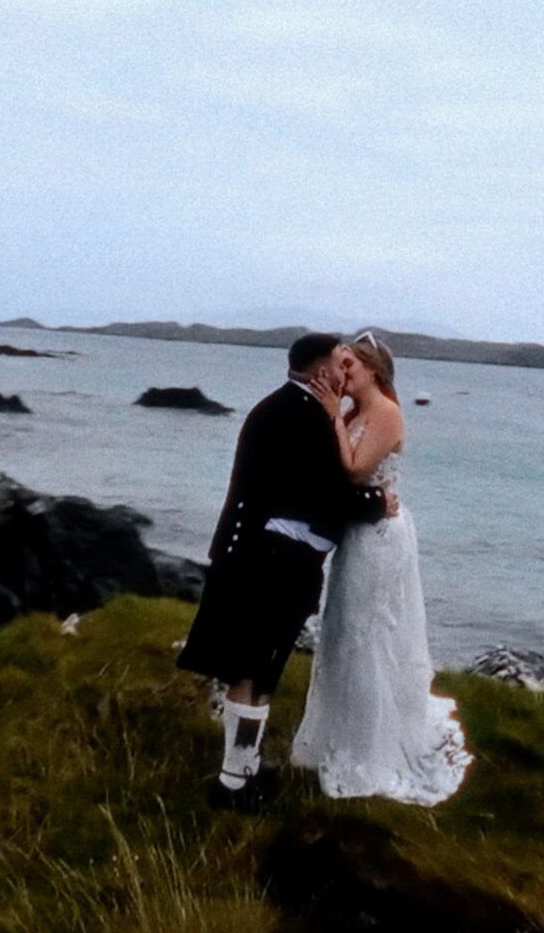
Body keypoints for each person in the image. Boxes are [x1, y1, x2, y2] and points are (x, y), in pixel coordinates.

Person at [177, 332, 396, 811]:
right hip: (272, 558)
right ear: (321, 373)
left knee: (259, 664)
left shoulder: (287, 409)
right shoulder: (301, 417)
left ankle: (244, 767)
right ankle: (234, 782)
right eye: (340, 366)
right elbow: (323, 492)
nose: (345, 373)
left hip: (265, 554)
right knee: (253, 664)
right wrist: (377, 502)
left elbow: (308, 486)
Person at [290, 332, 471, 804]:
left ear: (372, 370)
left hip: (380, 539)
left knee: (369, 631)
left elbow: (352, 469)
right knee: (345, 630)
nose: (340, 374)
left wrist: (330, 413)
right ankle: (342, 733)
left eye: (348, 366)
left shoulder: (386, 413)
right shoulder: (353, 412)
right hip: (357, 533)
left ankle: (372, 745)